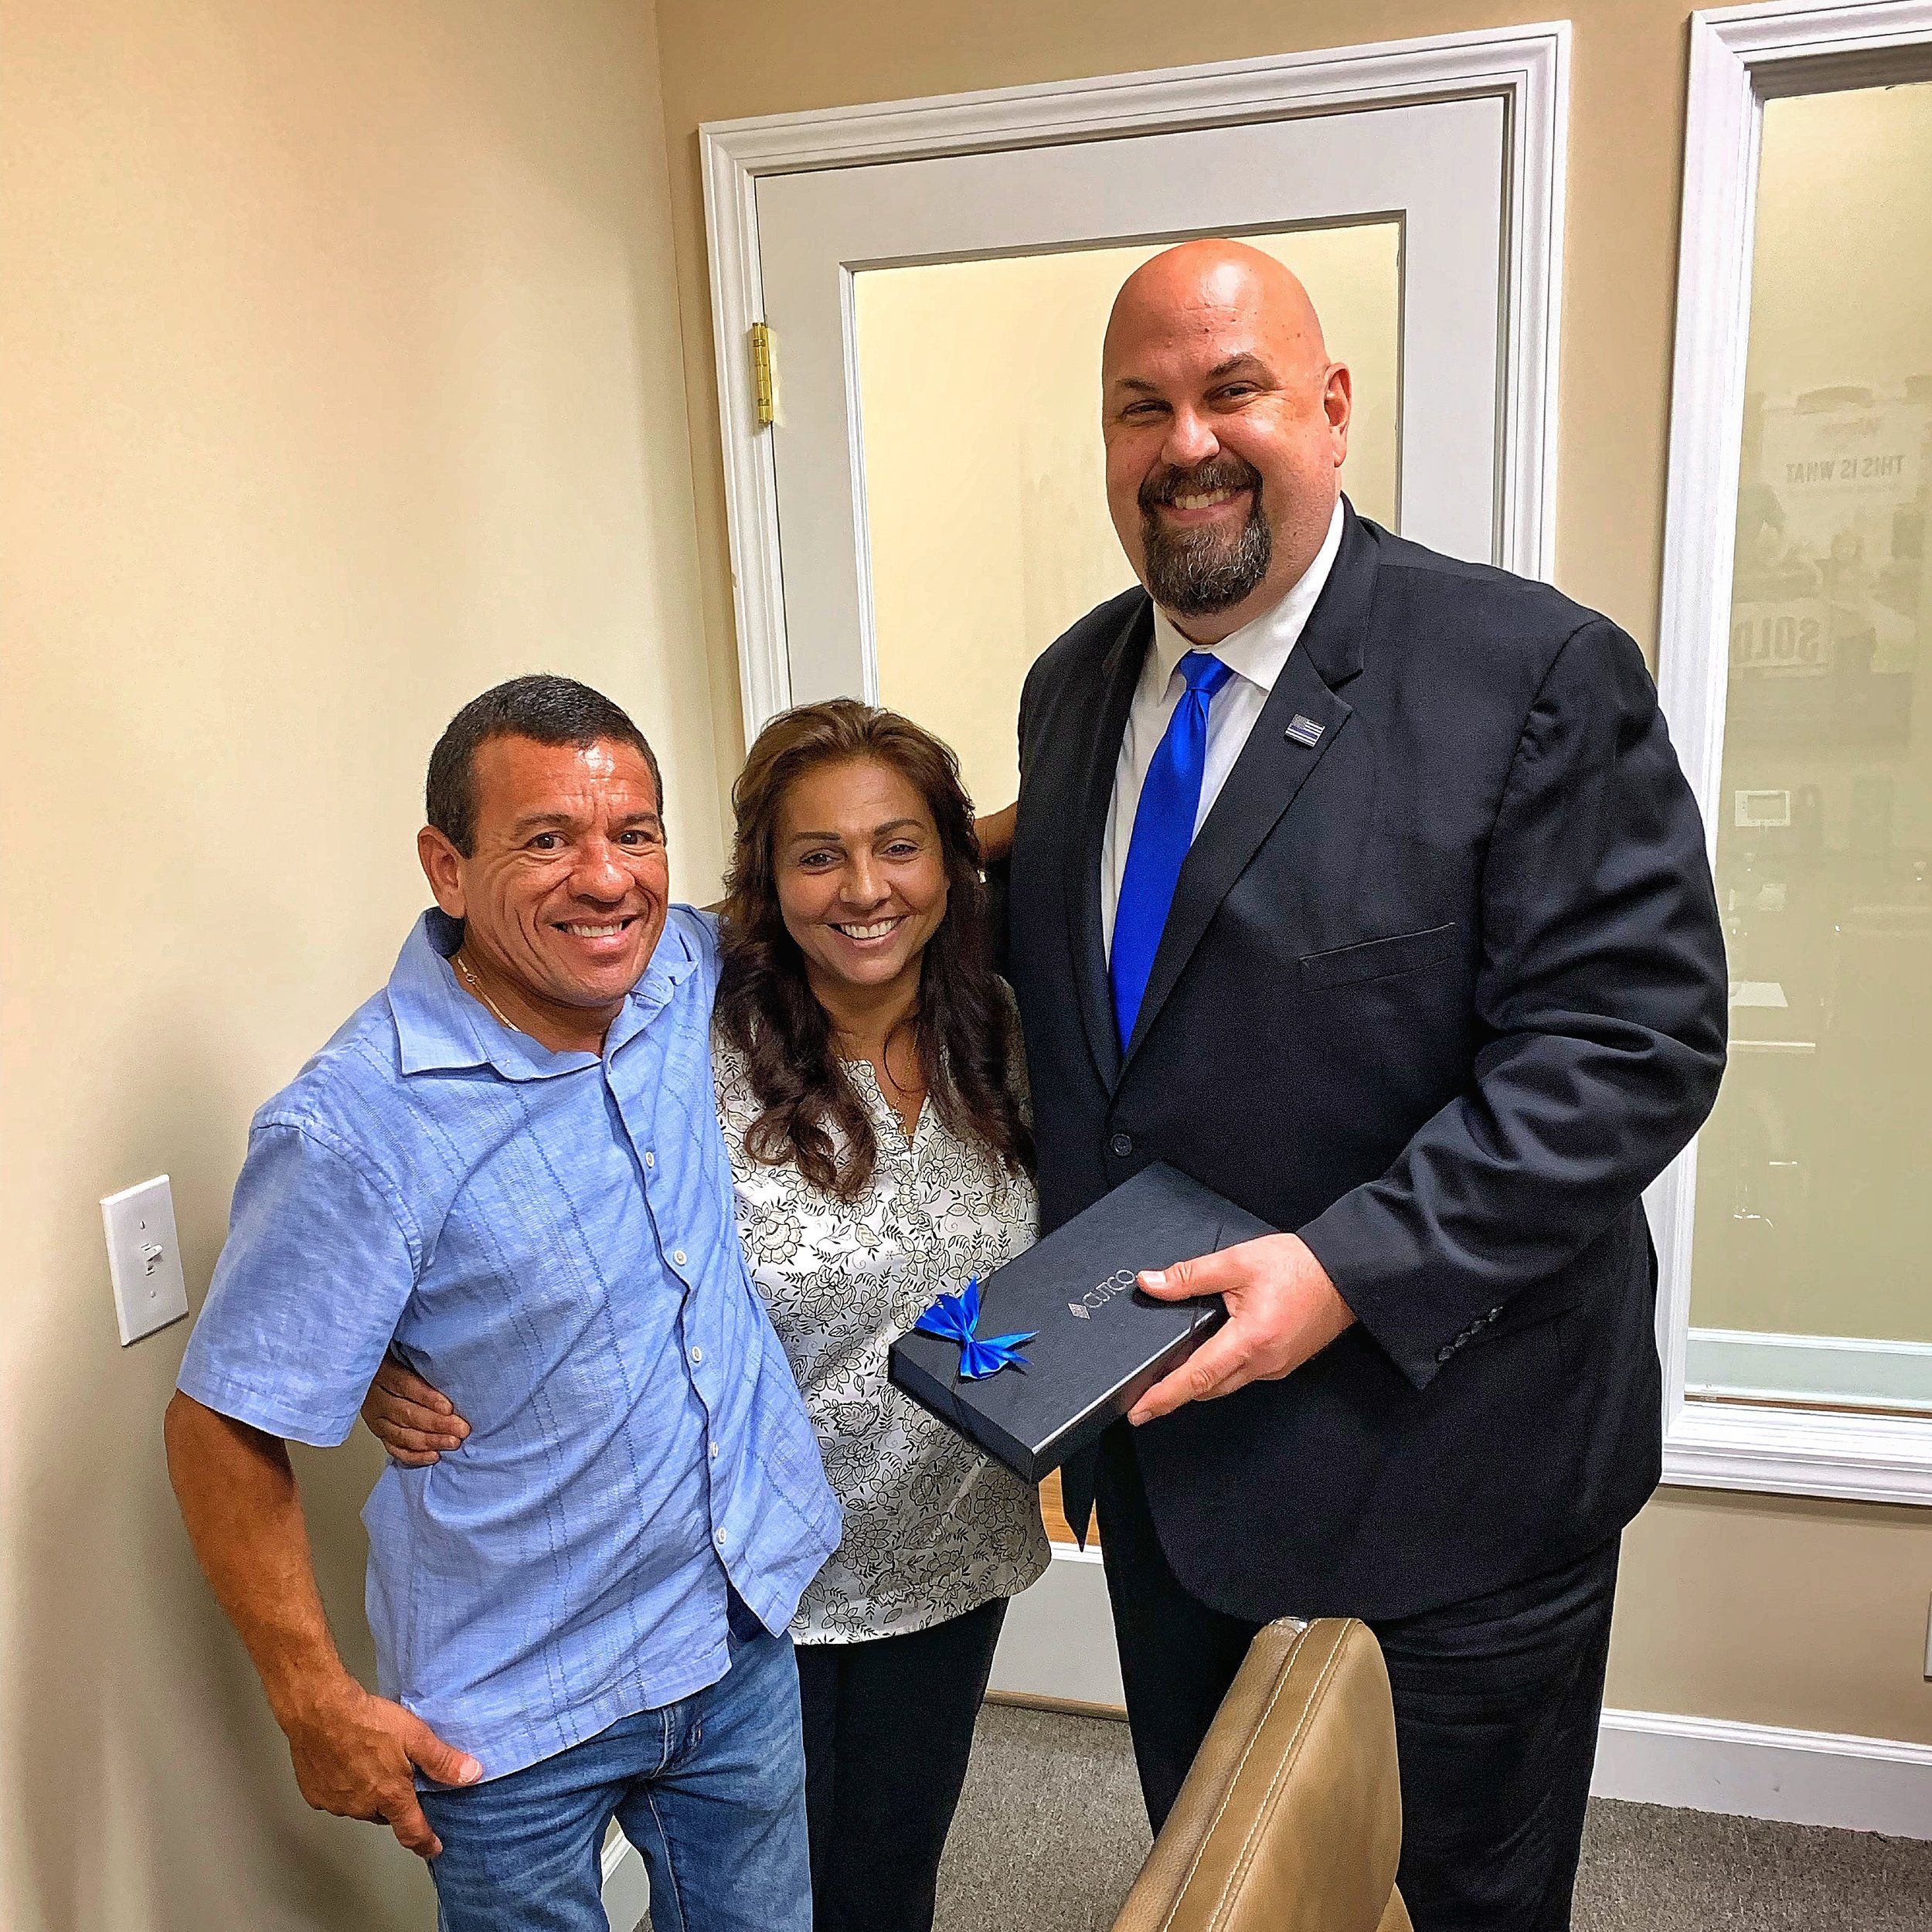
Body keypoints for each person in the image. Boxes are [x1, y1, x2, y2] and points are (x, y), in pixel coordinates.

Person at [995, 240, 1729, 1930]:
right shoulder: (1069, 686)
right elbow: (1106, 1028)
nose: (1184, 440)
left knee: (1451, 1900)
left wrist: (1341, 1269)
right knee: (1227, 1884)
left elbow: (1625, 1044)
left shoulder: (1526, 672)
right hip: (1172, 1462)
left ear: (1327, 410)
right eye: (1140, 406)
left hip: (1447, 1473)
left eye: (1229, 389)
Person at [164, 675, 839, 1932]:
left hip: (729, 1631)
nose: (607, 878)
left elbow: (858, 880)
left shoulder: (675, 972)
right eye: (547, 840)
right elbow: (218, 1426)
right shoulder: (355, 1128)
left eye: (634, 832)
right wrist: (312, 1698)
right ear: (447, 866)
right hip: (511, 1707)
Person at [366, 699, 1051, 1932]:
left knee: (891, 1880)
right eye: (817, 855)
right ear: (763, 881)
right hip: (748, 1585)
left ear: (955, 860)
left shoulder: (1001, 1036)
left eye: (900, 846)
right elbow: (449, 1160)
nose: (864, 890)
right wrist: (384, 1351)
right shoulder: (679, 1026)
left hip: (949, 1550)